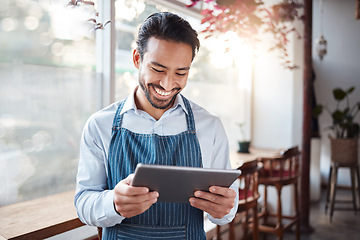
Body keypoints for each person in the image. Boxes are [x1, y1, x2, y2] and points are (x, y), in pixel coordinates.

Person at [75, 12, 239, 239]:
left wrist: (225, 209)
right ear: (136, 59)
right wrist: (113, 203)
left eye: (181, 73)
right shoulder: (99, 125)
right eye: (158, 69)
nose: (168, 83)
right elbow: (84, 203)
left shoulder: (210, 126)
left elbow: (226, 211)